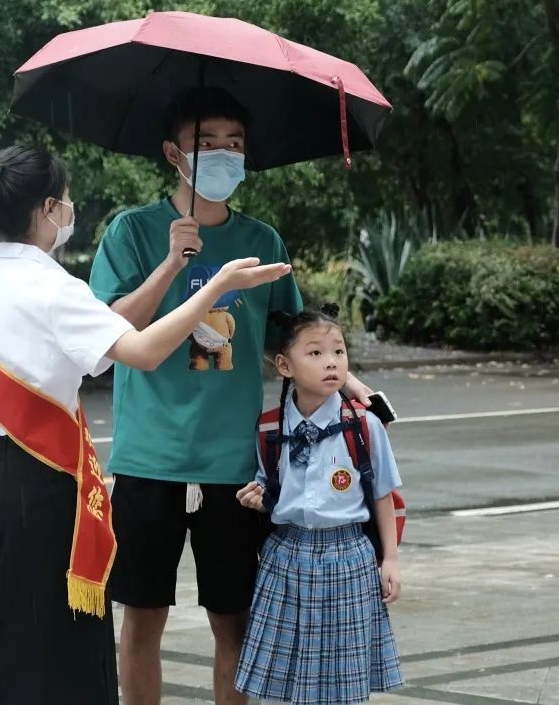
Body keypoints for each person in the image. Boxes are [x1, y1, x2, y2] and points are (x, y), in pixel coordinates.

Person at [0, 144, 289, 705]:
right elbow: (142, 351)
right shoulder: (53, 288)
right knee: (64, 643)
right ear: (49, 208)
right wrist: (214, 286)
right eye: (67, 203)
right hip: (49, 483)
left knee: (2, 631)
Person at [88, 86, 373, 705]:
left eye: (234, 145)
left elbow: (293, 338)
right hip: (149, 459)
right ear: (173, 152)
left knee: (235, 621)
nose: (223, 156)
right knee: (141, 619)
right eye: (207, 144)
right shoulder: (132, 232)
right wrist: (172, 263)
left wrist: (345, 379)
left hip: (238, 466)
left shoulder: (263, 243)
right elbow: (114, 330)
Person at [234, 305, 404, 704]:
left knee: (343, 686)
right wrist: (256, 499)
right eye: (315, 353)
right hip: (285, 558)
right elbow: (270, 487)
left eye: (339, 352)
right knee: (280, 681)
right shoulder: (270, 427)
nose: (331, 363)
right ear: (284, 365)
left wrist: (391, 560)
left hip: (349, 558)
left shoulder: (365, 425)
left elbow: (382, 494)